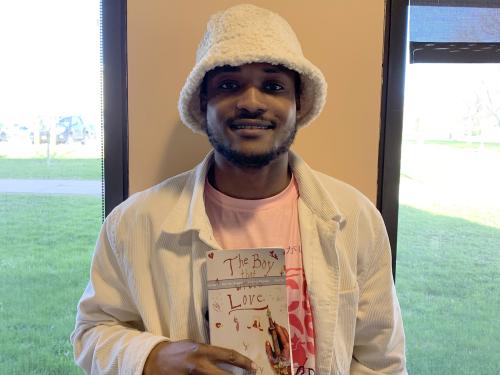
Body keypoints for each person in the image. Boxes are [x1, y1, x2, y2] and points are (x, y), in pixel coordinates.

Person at [71, 4, 406, 374]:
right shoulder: (134, 223)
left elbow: (380, 359)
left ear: (298, 103)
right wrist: (153, 356)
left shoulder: (355, 218)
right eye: (229, 85)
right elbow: (92, 332)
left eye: (273, 86)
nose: (251, 102)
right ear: (203, 103)